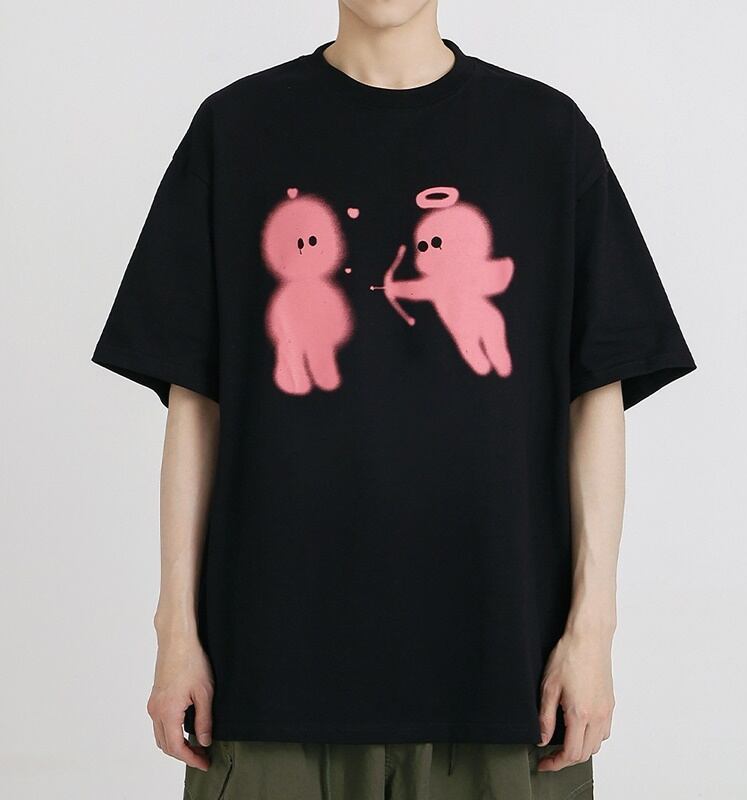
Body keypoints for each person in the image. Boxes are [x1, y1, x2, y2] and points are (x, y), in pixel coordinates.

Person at [91, 1, 696, 798]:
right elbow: (194, 404)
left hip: (507, 681)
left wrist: (593, 632)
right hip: (270, 674)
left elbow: (598, 398)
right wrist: (175, 630)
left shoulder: (547, 137)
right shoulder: (234, 130)